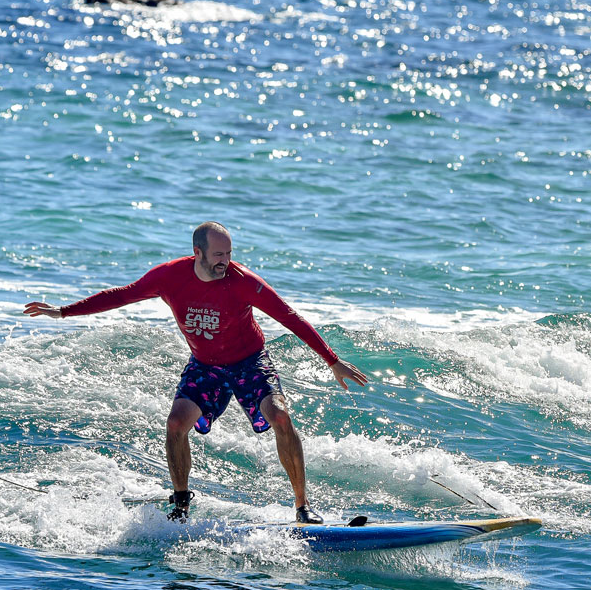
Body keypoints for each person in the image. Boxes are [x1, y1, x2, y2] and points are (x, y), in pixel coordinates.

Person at [23, 222, 368, 523]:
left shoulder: (243, 282)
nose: (225, 261)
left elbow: (289, 316)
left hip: (250, 361)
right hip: (206, 366)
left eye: (229, 253)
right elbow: (123, 295)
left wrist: (331, 359)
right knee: (176, 423)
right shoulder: (169, 276)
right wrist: (64, 312)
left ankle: (302, 506)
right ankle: (181, 502)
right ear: (197, 252)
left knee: (279, 416)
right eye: (218, 255)